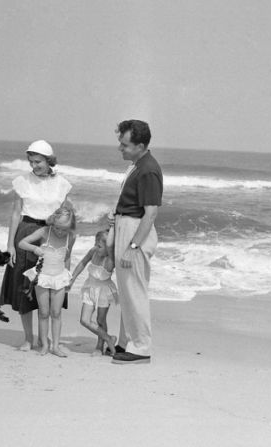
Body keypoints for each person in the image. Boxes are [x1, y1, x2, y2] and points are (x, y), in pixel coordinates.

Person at [0, 140, 73, 352]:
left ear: (49, 161)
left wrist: (67, 251)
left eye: (38, 161)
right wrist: (10, 245)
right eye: (31, 161)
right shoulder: (22, 181)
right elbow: (15, 213)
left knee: (49, 286)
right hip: (26, 234)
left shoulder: (62, 184)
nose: (34, 166)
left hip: (51, 235)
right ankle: (29, 339)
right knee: (25, 287)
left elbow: (66, 217)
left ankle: (47, 340)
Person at [109, 119, 162, 365]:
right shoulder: (136, 164)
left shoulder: (148, 169)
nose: (121, 148)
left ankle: (141, 347)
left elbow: (150, 214)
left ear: (140, 145)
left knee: (135, 290)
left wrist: (133, 247)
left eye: (125, 145)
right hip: (126, 225)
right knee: (126, 290)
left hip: (135, 230)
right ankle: (126, 341)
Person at [18, 207, 76, 357]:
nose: (60, 232)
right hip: (42, 277)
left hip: (59, 277)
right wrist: (35, 249)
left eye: (64, 229)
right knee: (43, 313)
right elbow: (22, 243)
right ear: (52, 222)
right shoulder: (45, 231)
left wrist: (68, 277)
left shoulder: (71, 236)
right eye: (57, 227)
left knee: (56, 313)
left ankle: (55, 346)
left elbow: (67, 256)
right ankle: (44, 345)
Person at [68, 229, 119, 357]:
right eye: (95, 243)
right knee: (84, 320)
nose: (96, 247)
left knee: (100, 320)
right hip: (89, 288)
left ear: (109, 248)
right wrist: (72, 279)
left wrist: (111, 241)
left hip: (104, 291)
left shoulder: (110, 260)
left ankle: (99, 346)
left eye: (100, 246)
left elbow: (111, 250)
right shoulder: (93, 251)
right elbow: (82, 263)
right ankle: (109, 338)